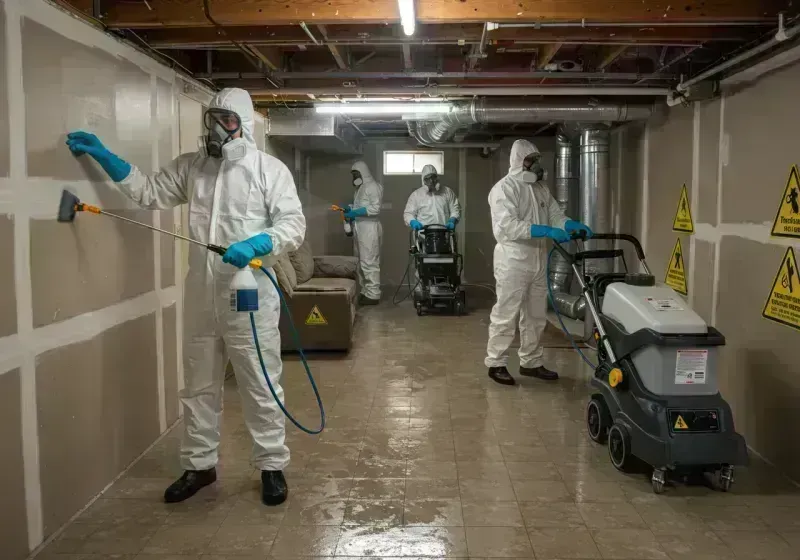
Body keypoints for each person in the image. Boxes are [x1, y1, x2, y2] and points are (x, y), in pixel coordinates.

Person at [65, 88, 305, 506]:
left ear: (243, 125)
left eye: (226, 120)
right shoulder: (192, 168)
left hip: (248, 292)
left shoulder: (269, 170)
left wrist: (258, 242)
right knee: (197, 385)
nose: (216, 129)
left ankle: (271, 465)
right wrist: (106, 157)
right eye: (212, 119)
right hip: (200, 292)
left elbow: (293, 224)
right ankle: (200, 465)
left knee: (259, 383)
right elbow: (148, 192)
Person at [485, 139, 592, 386]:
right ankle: (496, 362)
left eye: (536, 160)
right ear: (519, 161)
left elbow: (555, 214)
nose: (535, 165)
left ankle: (530, 362)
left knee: (535, 315)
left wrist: (568, 224)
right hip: (513, 259)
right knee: (506, 313)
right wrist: (544, 230)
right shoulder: (504, 189)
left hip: (538, 259)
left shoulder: (541, 189)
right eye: (530, 160)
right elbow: (507, 226)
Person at [344, 161, 384, 305]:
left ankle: (373, 294)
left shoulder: (373, 186)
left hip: (369, 228)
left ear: (363, 173)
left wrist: (355, 212)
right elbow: (360, 206)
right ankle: (365, 291)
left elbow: (375, 208)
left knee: (369, 261)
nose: (354, 177)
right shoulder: (360, 188)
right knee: (360, 262)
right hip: (360, 227)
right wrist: (350, 211)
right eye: (353, 174)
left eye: (356, 174)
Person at [403, 164, 461, 232]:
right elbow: (408, 213)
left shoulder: (447, 192)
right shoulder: (416, 195)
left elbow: (455, 208)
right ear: (423, 180)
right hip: (424, 235)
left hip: (444, 233)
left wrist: (452, 220)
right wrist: (412, 221)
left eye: (433, 177)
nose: (431, 181)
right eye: (428, 178)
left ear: (437, 178)